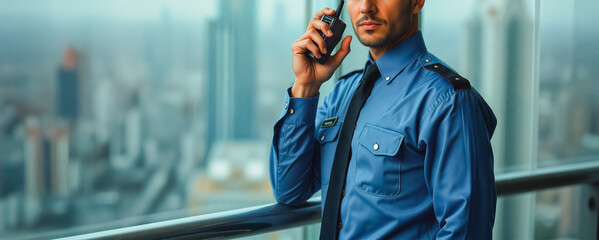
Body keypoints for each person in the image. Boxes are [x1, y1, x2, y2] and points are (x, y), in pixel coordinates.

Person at [269, 0, 497, 239]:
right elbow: (290, 191)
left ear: (417, 2)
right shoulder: (341, 93)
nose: (366, 6)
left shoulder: (449, 101)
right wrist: (305, 86)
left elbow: (467, 231)